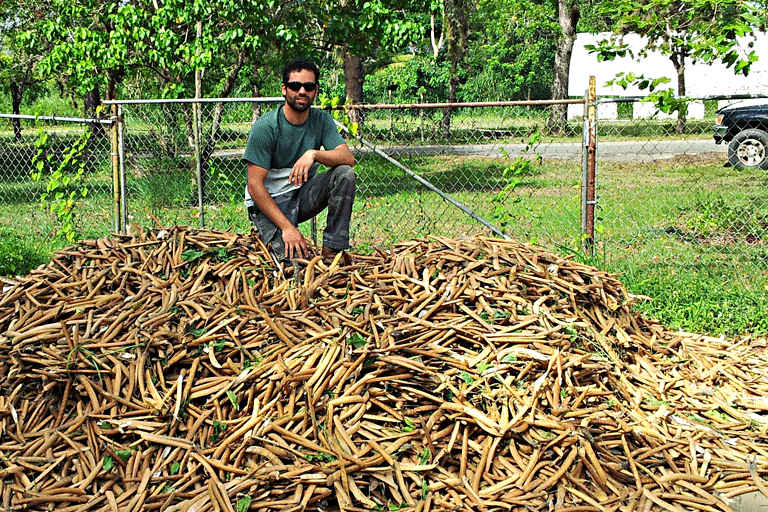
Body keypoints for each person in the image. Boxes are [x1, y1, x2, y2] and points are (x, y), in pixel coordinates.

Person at [243, 57, 356, 266]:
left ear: (315, 91)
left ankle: (333, 249)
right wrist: (287, 228)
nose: (302, 91)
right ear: (284, 89)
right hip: (269, 203)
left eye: (308, 86)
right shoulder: (266, 127)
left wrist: (313, 154)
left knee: (344, 174)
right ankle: (270, 232)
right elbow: (254, 185)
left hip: (301, 195)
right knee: (296, 266)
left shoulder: (321, 120)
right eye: (295, 86)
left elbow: (347, 159)